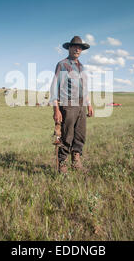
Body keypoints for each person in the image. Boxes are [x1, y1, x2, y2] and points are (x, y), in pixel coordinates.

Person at [50, 36, 94, 174]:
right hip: (68, 105)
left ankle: (76, 161)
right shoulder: (62, 64)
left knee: (80, 135)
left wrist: (89, 104)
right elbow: (54, 87)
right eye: (74, 46)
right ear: (69, 48)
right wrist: (56, 109)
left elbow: (84, 88)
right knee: (66, 135)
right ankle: (62, 164)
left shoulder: (82, 66)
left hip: (81, 105)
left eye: (80, 47)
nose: (77, 49)